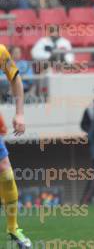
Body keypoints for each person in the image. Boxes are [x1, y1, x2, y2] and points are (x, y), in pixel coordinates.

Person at [0, 43, 31, 249]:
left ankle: (13, 228)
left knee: (6, 174)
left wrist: (19, 113)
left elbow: (15, 78)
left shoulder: (1, 51)